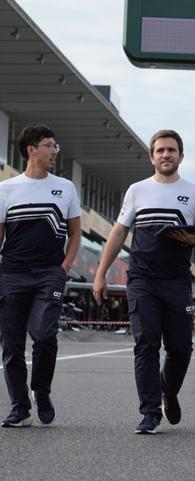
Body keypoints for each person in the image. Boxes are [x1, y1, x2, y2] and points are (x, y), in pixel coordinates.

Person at [92, 129, 195, 434]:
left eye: (171, 150)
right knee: (146, 345)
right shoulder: (137, 190)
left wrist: (194, 239)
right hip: (142, 279)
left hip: (177, 281)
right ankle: (149, 412)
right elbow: (119, 232)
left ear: (181, 156)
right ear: (151, 157)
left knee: (181, 348)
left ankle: (167, 392)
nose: (166, 155)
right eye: (160, 150)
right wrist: (100, 273)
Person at [0, 124, 81, 427]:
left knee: (45, 335)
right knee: (11, 346)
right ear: (31, 150)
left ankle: (41, 390)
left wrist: (64, 267)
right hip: (12, 273)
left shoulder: (66, 187)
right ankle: (20, 409)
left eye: (56, 146)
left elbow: (75, 233)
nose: (55, 151)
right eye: (50, 145)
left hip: (50, 273)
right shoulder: (6, 189)